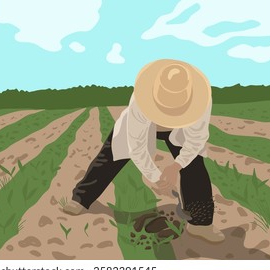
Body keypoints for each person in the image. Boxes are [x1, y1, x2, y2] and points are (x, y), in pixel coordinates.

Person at [62, 59, 225, 243]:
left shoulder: (200, 102)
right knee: (109, 157)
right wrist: (155, 176)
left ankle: (200, 224)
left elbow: (196, 140)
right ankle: (82, 197)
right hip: (143, 127)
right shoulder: (140, 102)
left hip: (182, 131)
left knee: (195, 167)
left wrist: (175, 166)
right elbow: (136, 146)